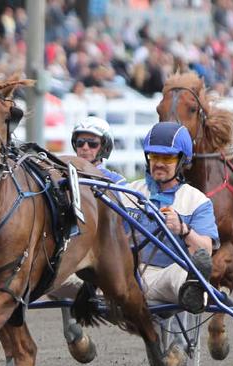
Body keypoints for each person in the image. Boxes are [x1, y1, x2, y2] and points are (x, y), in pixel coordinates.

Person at [120, 121, 218, 313]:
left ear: (182, 160)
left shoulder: (196, 201)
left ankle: (195, 292)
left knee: (183, 271)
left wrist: (183, 229)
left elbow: (205, 251)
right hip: (124, 276)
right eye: (154, 156)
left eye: (168, 158)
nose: (159, 163)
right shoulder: (128, 193)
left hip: (163, 277)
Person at [70, 116, 124, 183]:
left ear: (104, 147)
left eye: (92, 143)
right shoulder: (65, 176)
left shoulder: (115, 180)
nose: (85, 147)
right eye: (80, 142)